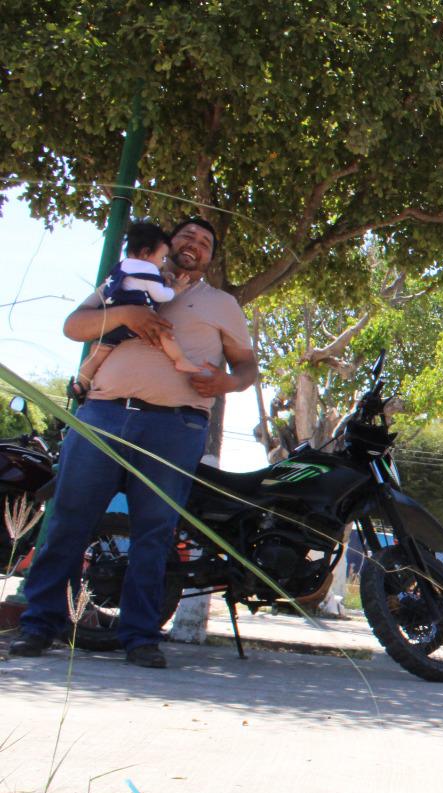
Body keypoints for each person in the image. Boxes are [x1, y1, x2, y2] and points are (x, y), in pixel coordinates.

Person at [9, 217, 258, 669]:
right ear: (167, 242)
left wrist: (227, 382)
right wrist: (125, 314)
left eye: (205, 243)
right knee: (68, 521)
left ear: (208, 260)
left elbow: (248, 369)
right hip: (102, 416)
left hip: (176, 427)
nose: (194, 245)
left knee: (155, 533)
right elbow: (73, 326)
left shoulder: (222, 304)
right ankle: (39, 626)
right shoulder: (124, 278)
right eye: (187, 236)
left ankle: (141, 637)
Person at [72, 221, 205, 399]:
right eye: (162, 258)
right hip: (138, 320)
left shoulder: (121, 267)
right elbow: (159, 295)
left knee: (97, 354)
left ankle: (80, 384)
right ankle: (180, 359)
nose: (162, 264)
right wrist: (175, 290)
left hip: (110, 324)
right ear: (145, 253)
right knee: (164, 333)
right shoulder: (148, 269)